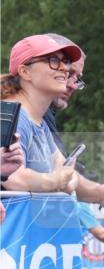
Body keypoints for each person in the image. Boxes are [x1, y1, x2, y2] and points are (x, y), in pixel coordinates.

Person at [40, 34, 104, 216]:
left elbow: (61, 168)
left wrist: (101, 191)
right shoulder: (18, 113)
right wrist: (101, 192)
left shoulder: (41, 115)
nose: (71, 85)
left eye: (76, 78)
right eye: (68, 73)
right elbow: (48, 172)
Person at [1, 35, 80, 194]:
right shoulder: (10, 117)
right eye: (53, 61)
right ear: (25, 71)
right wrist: (57, 181)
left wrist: (62, 180)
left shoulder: (39, 123)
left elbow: (67, 171)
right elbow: (13, 178)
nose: (65, 69)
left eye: (65, 61)